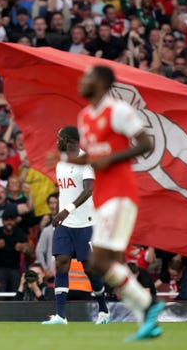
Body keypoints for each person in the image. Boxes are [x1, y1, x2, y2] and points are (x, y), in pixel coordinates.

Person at [70, 65, 163, 340]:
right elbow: (94, 157)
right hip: (102, 197)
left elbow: (146, 144)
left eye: (86, 76)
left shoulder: (118, 111)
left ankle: (148, 307)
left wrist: (114, 158)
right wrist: (67, 159)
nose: (81, 81)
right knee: (110, 262)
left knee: (98, 261)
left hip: (121, 194)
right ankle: (146, 319)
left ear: (100, 82)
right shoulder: (84, 116)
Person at [43, 126, 109, 325]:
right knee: (61, 263)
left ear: (68, 140)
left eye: (58, 138)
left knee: (90, 270)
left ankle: (104, 310)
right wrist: (61, 213)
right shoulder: (61, 162)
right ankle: (61, 316)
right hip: (64, 224)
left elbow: (89, 190)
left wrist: (67, 209)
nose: (56, 142)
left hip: (85, 224)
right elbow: (66, 191)